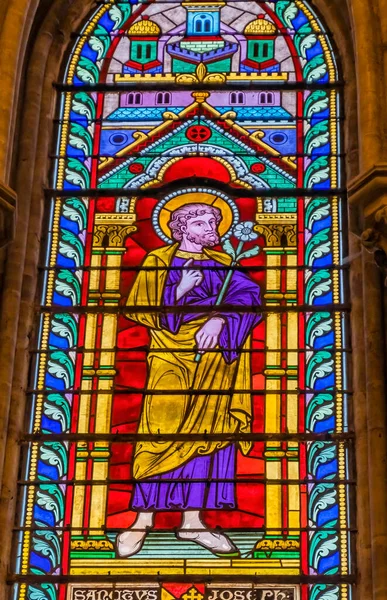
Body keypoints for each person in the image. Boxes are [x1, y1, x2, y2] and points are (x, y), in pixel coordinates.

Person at [116, 202, 261, 558]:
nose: (210, 225)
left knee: (207, 438)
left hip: (216, 362)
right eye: (201, 221)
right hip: (171, 361)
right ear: (180, 228)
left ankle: (192, 523)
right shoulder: (159, 261)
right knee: (160, 435)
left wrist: (220, 319)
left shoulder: (225, 263)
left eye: (213, 220)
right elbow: (138, 308)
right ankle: (141, 521)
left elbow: (250, 297)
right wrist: (180, 290)